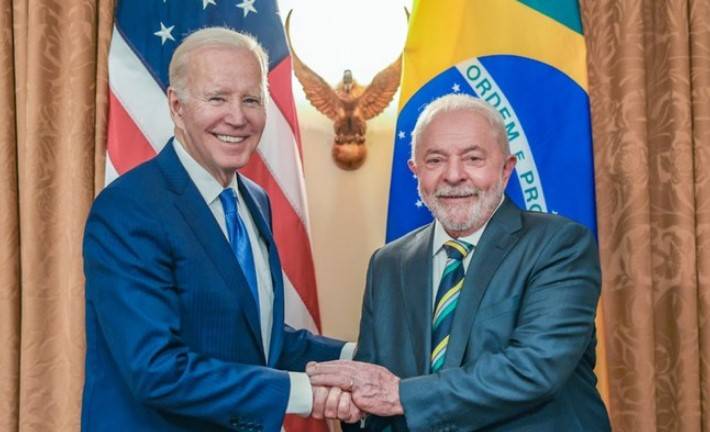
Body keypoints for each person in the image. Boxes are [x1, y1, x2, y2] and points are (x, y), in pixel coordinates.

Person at [82, 27, 358, 432]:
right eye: (217, 98)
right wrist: (307, 394)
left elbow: (251, 331)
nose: (237, 116)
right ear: (176, 106)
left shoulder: (254, 198)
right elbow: (156, 368)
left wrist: (357, 358)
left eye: (251, 99)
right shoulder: (128, 209)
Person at [307, 94, 611, 431]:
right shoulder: (388, 263)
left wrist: (400, 395)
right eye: (435, 160)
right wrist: (356, 408)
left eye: (473, 158)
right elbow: (372, 382)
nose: (453, 175)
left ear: (506, 169)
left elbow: (535, 367)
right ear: (416, 171)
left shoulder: (559, 245)